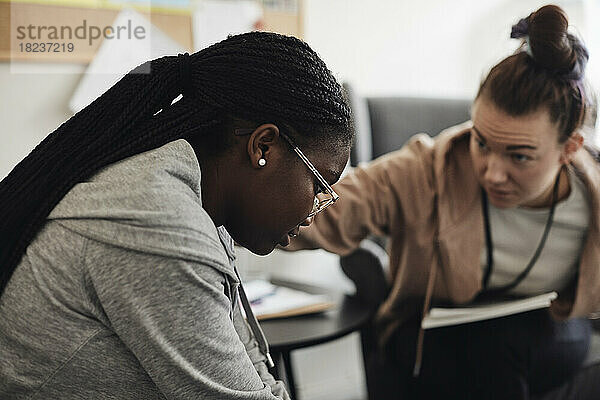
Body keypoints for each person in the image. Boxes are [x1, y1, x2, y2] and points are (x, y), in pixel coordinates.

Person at [0, 32, 353, 399]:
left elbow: (249, 361)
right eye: (318, 186)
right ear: (263, 145)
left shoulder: (197, 203)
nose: (314, 213)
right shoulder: (161, 224)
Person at [288, 5, 599, 399]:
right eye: (481, 142)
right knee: (479, 354)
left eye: (519, 156)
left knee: (499, 347)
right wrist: (227, 215)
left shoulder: (593, 198)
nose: (491, 171)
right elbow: (335, 205)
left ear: (568, 148)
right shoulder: (428, 172)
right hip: (438, 332)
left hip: (547, 330)